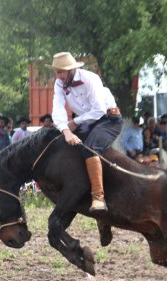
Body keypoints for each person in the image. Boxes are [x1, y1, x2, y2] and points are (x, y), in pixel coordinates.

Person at [48, 51, 122, 212]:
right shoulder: (60, 83)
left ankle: (98, 198)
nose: (58, 76)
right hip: (87, 122)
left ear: (70, 70)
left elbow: (99, 110)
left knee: (89, 148)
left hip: (108, 119)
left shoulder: (91, 79)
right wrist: (66, 131)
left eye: (60, 72)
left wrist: (74, 122)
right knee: (64, 145)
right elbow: (58, 109)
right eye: (56, 72)